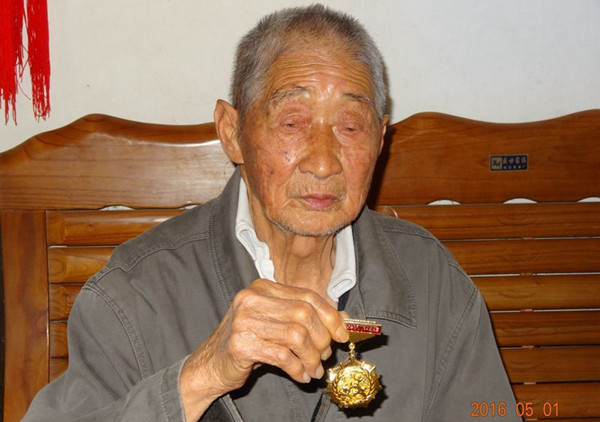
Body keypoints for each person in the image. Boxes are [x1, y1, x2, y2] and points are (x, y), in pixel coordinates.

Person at [23, 5, 519, 422]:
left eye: (350, 126)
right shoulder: (135, 295)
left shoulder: (431, 281)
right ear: (232, 133)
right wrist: (202, 376)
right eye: (292, 122)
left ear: (380, 139)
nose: (323, 162)